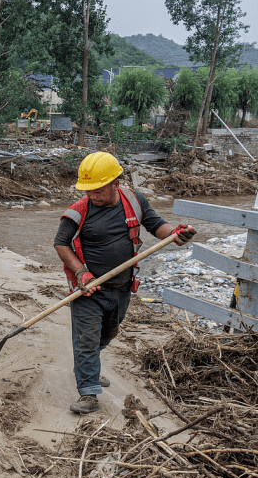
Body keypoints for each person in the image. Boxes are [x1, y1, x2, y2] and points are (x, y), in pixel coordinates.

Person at [55, 151, 196, 414]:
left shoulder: (134, 200)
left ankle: (89, 365)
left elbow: (156, 226)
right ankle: (88, 392)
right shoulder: (78, 212)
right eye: (88, 191)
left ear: (115, 184)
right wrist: (80, 272)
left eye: (97, 190)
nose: (92, 196)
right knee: (87, 339)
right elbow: (60, 243)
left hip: (122, 287)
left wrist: (174, 234)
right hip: (89, 289)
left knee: (108, 334)